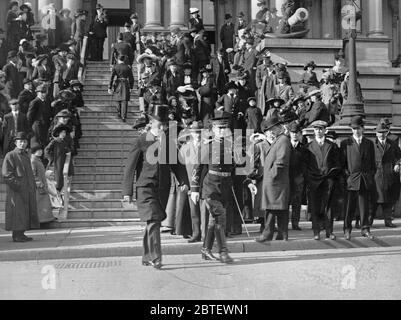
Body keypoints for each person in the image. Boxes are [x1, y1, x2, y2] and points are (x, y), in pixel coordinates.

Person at [122, 105, 188, 269]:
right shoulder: (141, 140)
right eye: (160, 125)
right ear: (151, 123)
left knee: (153, 222)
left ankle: (146, 256)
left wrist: (184, 181)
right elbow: (130, 167)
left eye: (165, 125)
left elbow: (177, 165)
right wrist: (127, 192)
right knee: (154, 220)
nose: (163, 128)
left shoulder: (169, 142)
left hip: (163, 189)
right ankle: (155, 257)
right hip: (145, 187)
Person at [190, 116, 235, 264]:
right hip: (210, 188)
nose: (222, 131)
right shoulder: (207, 146)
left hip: (225, 187)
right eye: (219, 128)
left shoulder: (231, 146)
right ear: (214, 129)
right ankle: (223, 252)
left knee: (213, 221)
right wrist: (195, 189)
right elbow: (198, 167)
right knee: (220, 218)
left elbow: (234, 167)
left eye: (224, 128)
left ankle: (206, 249)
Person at [250, 116, 292, 242]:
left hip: (275, 181)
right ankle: (282, 233)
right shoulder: (280, 139)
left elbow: (281, 162)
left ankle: (267, 234)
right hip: (277, 181)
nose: (271, 132)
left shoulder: (283, 140)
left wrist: (271, 176)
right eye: (269, 129)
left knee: (271, 209)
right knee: (279, 208)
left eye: (273, 129)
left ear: (279, 127)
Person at [341, 116, 376, 241]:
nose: (356, 131)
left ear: (363, 128)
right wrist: (348, 177)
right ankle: (347, 230)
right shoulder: (346, 143)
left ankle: (365, 229)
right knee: (349, 207)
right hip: (351, 180)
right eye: (354, 128)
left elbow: (373, 164)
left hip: (365, 180)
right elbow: (343, 164)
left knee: (364, 207)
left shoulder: (369, 143)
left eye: (358, 128)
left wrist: (370, 176)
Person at [307, 120, 342, 240]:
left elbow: (337, 163)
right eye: (316, 129)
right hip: (314, 180)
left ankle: (329, 231)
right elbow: (306, 165)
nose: (318, 131)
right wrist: (310, 177)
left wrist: (332, 175)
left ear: (324, 131)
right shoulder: (309, 146)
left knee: (329, 207)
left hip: (328, 180)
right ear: (314, 131)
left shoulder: (331, 145)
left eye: (321, 129)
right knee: (315, 206)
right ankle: (316, 232)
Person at [2, 131, 39, 243]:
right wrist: (18, 186)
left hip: (26, 190)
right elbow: (6, 174)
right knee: (17, 212)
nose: (22, 144)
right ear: (15, 143)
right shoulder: (10, 155)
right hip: (16, 191)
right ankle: (16, 235)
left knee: (24, 212)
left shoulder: (25, 156)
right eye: (20, 142)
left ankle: (21, 233)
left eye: (24, 142)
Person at [371, 122, 401, 228]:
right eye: (379, 132)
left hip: (389, 175)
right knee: (374, 200)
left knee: (389, 199)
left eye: (384, 132)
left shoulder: (392, 144)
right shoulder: (371, 145)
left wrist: (398, 164)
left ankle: (388, 221)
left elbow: (399, 157)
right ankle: (368, 222)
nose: (381, 134)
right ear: (376, 133)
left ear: (387, 133)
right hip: (376, 175)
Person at [288, 122, 308, 231]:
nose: (294, 135)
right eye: (292, 133)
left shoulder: (303, 148)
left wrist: (302, 177)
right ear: (289, 134)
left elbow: (305, 164)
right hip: (286, 178)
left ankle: (295, 223)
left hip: (298, 178)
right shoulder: (286, 147)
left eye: (296, 133)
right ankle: (283, 223)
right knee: (285, 201)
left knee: (297, 202)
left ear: (300, 134)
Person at [30, 144, 55, 225]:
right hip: (38, 187)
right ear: (34, 152)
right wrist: (39, 183)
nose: (41, 152)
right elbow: (33, 174)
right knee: (40, 205)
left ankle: (45, 219)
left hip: (42, 186)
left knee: (43, 204)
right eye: (38, 150)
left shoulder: (37, 160)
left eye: (41, 150)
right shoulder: (33, 161)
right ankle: (41, 221)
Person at [44, 124, 73, 193]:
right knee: (57, 181)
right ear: (59, 133)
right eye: (62, 132)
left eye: (65, 133)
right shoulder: (55, 141)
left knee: (61, 180)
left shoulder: (64, 142)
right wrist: (51, 159)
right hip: (56, 164)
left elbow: (68, 151)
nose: (64, 134)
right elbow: (46, 150)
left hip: (62, 163)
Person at [108, 55, 134, 122]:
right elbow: (131, 78)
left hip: (118, 83)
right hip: (125, 83)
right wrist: (131, 87)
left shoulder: (115, 67)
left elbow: (111, 77)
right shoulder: (128, 67)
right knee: (124, 100)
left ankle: (119, 112)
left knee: (117, 99)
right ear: (124, 60)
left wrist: (109, 87)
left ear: (117, 59)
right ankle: (123, 116)